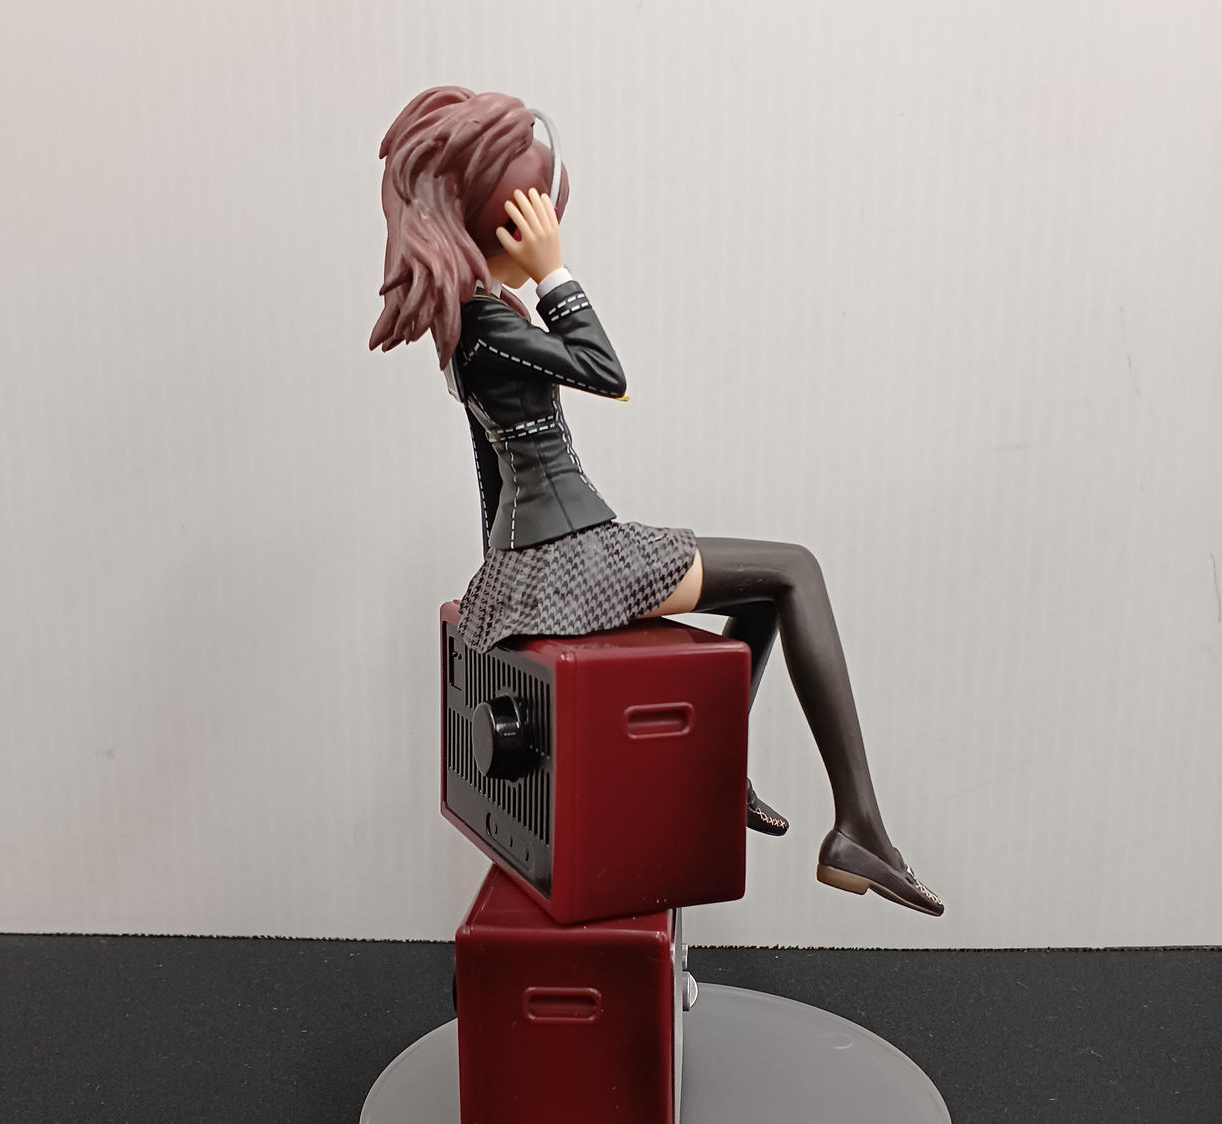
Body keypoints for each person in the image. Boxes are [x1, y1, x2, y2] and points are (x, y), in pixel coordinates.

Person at [370, 87, 943, 916]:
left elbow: (490, 467)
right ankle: (859, 828)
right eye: (539, 213)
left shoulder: (470, 326)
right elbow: (607, 372)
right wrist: (557, 271)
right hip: (573, 553)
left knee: (766, 589)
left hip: (541, 552)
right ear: (513, 220)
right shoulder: (488, 322)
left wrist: (502, 574)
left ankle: (731, 776)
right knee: (795, 571)